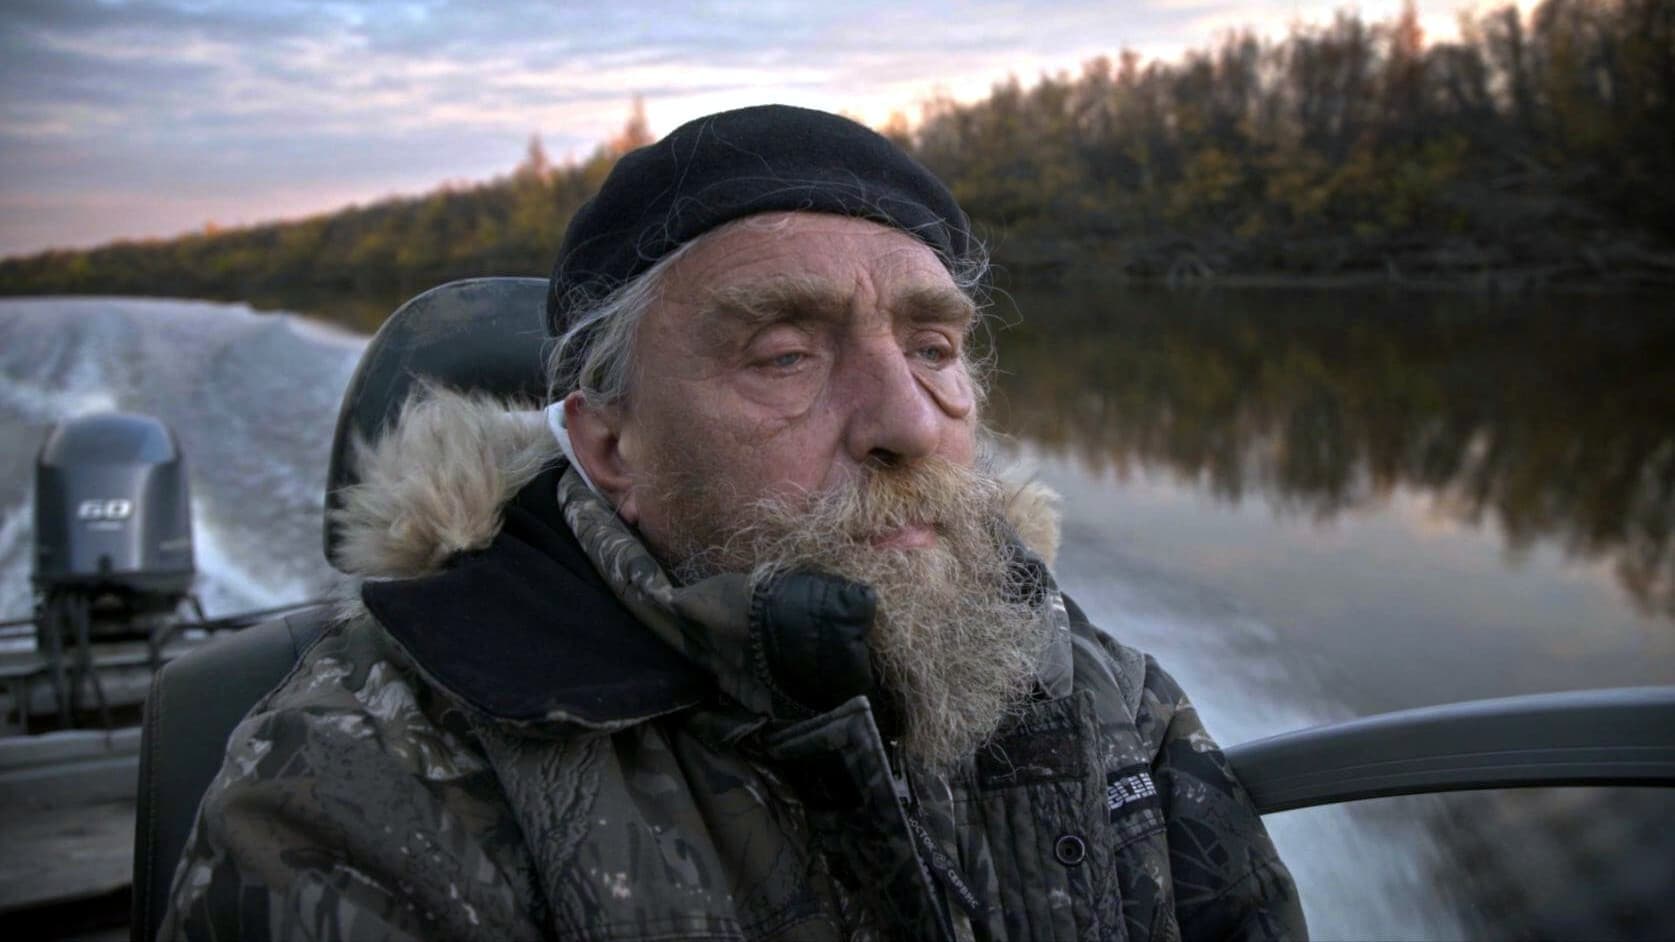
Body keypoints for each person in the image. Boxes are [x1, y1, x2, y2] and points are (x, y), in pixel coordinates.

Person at [161, 104, 1304, 941]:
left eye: (933, 348)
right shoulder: (367, 783)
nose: (907, 420)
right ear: (610, 446)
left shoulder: (1094, 691)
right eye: (784, 356)